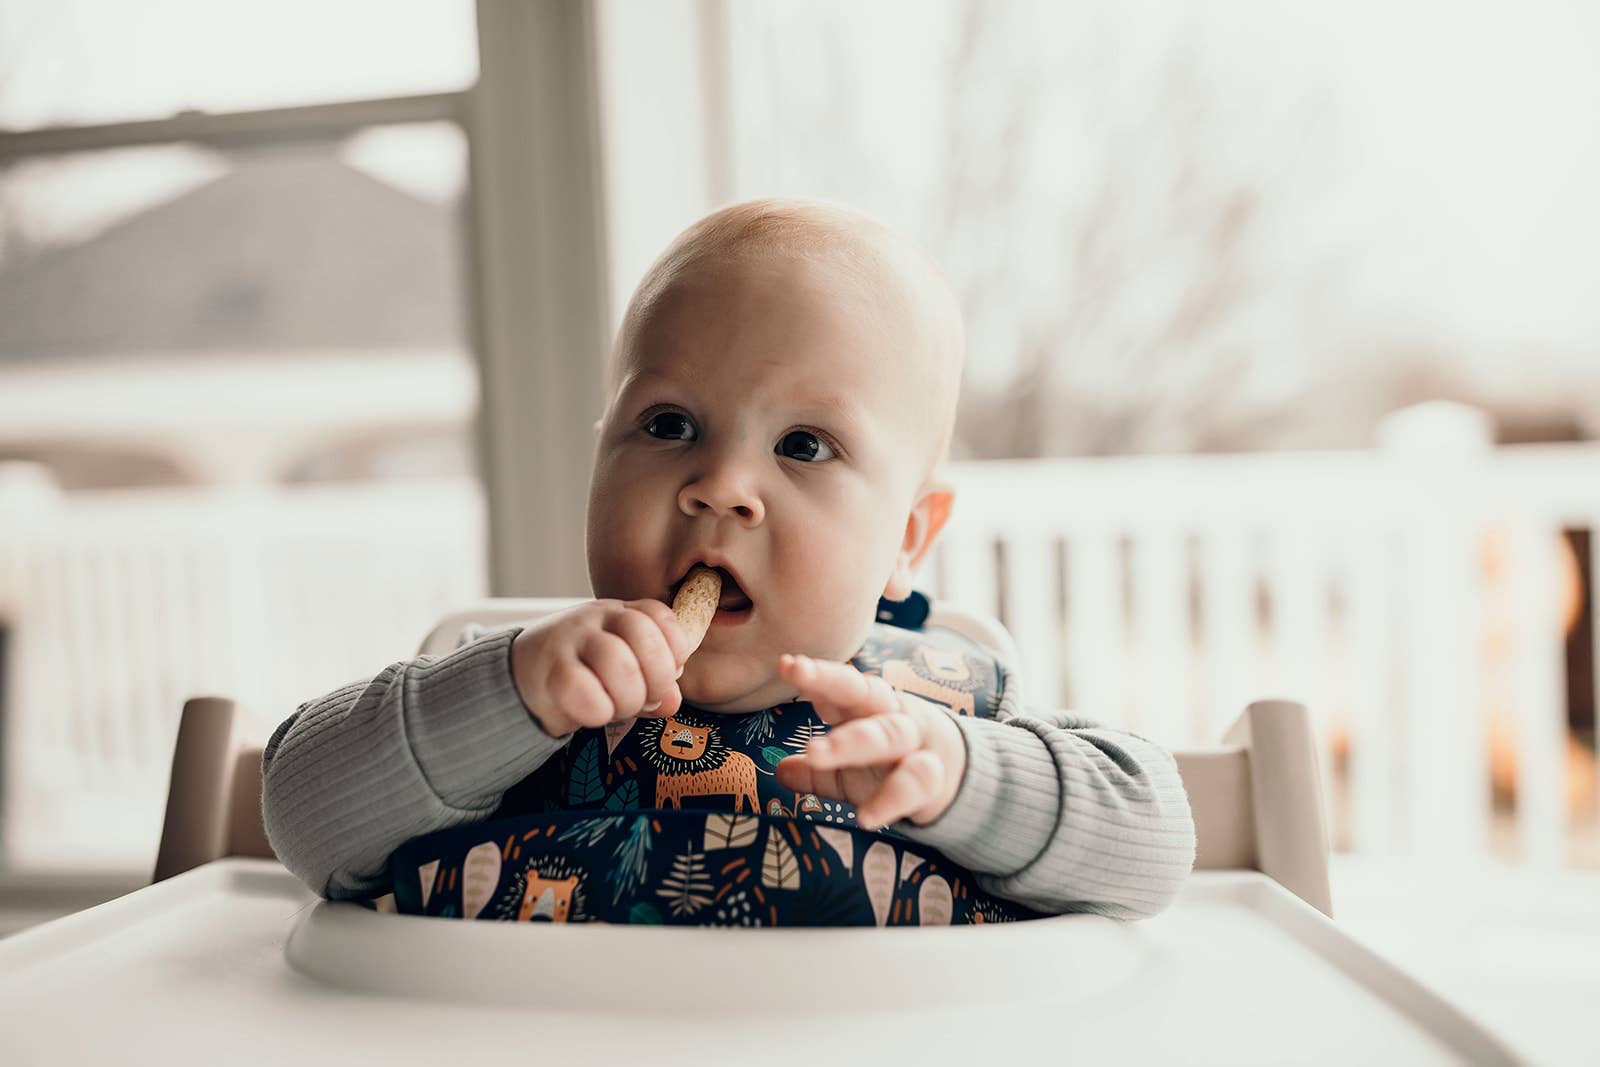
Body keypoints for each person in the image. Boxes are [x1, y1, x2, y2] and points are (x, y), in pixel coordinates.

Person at [261, 198, 1195, 923]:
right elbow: (301, 814)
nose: (722, 486)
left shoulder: (929, 722)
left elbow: (1155, 841)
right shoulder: (524, 706)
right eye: (668, 425)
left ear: (907, 537)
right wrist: (504, 695)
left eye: (805, 445)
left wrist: (963, 776)